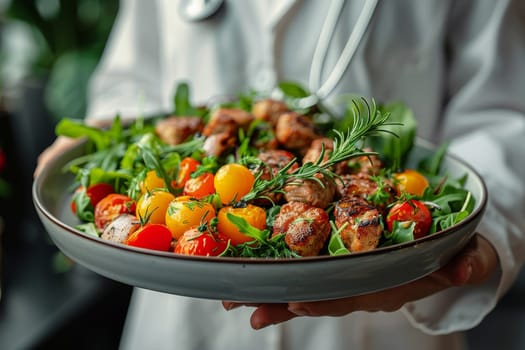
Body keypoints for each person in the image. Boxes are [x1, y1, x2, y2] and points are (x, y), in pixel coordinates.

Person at [36, 1, 525, 349]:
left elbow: (505, 114)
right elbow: (132, 76)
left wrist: (484, 231)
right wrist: (101, 136)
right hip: (182, 295)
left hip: (389, 310)